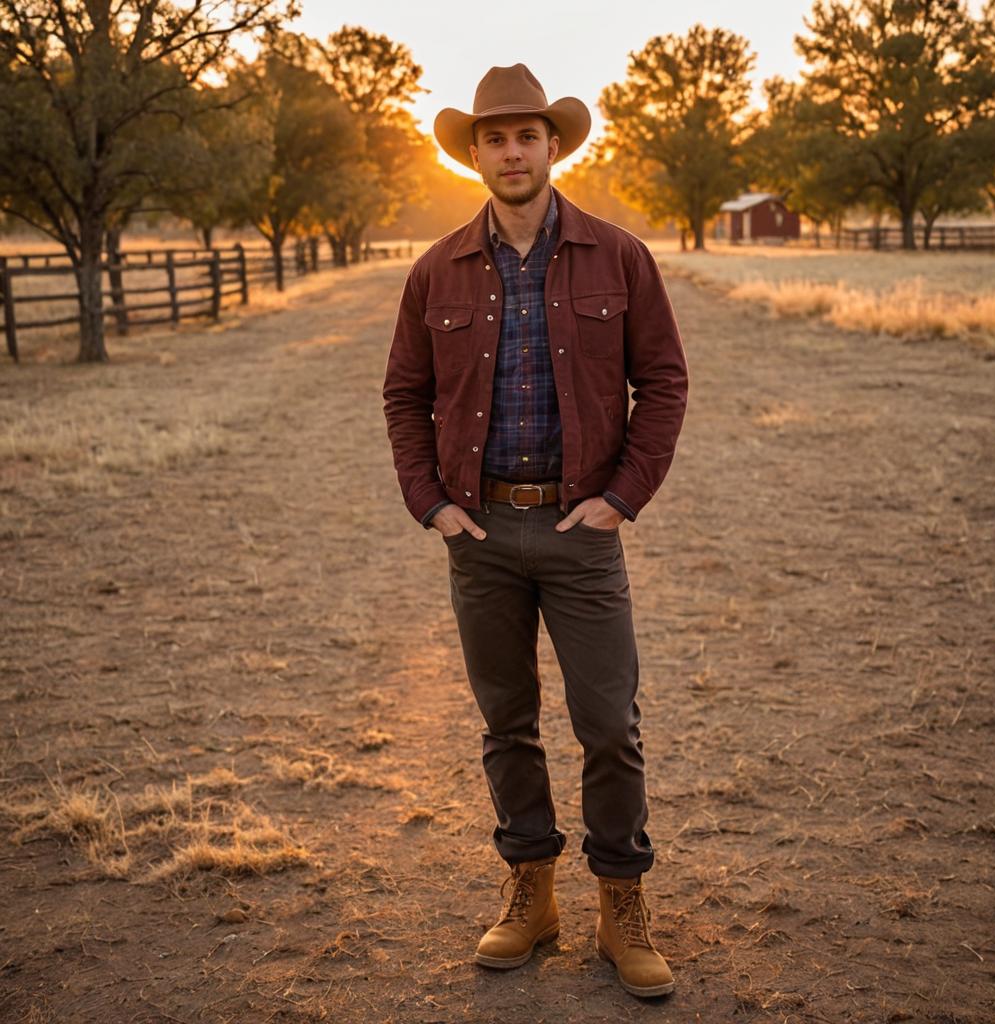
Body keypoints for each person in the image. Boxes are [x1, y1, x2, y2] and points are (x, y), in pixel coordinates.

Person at [382, 63, 688, 998]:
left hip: (582, 528)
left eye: (527, 136)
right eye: (493, 138)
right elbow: (405, 394)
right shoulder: (437, 267)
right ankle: (532, 891)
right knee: (505, 723)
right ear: (473, 154)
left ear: (555, 147)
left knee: (609, 724)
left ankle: (620, 905)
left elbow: (664, 383)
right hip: (479, 537)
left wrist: (623, 496)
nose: (511, 152)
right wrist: (430, 501)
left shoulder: (618, 255)